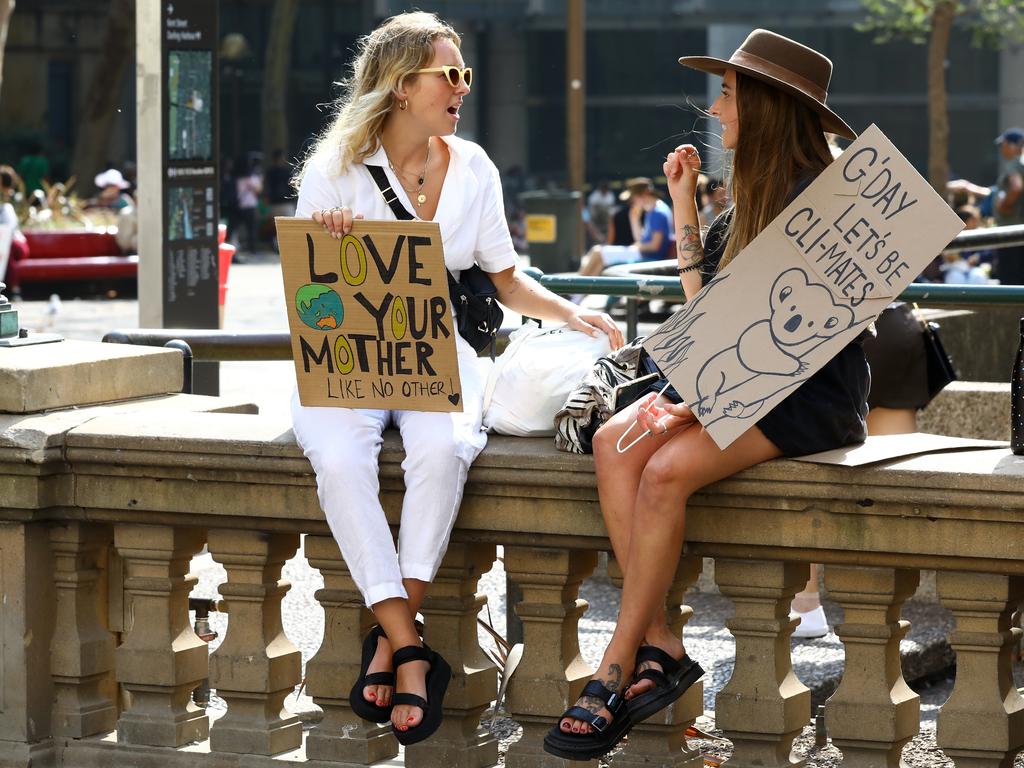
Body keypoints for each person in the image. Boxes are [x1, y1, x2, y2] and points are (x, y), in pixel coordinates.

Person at [289, 11, 623, 747]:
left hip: (439, 352)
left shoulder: (474, 167)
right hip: (350, 355)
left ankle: (393, 645)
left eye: (464, 74)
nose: (463, 88)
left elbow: (505, 278)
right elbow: (314, 296)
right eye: (452, 74)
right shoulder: (331, 170)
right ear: (403, 86)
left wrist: (578, 315)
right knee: (341, 460)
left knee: (442, 452)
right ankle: (410, 647)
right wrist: (332, 252)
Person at [544, 29, 868, 760]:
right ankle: (659, 641)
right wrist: (681, 206)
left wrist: (713, 398)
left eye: (727, 94)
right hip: (736, 383)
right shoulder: (748, 195)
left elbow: (810, 338)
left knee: (662, 471)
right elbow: (704, 317)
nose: (716, 110)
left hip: (806, 395)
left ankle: (618, 666)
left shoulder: (825, 198)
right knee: (609, 439)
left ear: (764, 105)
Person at [577, 177, 672, 276]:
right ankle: (579, 288)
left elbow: (654, 246)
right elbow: (640, 239)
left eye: (634, 198)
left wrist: (636, 247)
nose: (632, 202)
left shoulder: (658, 212)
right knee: (597, 252)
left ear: (643, 195)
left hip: (650, 258)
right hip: (642, 253)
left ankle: (575, 288)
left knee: (598, 252)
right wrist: (634, 219)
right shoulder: (651, 210)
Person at [992, 127, 1024, 284]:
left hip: (1010, 233)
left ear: (1013, 146)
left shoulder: (1015, 165)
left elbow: (1016, 186)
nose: (1001, 149)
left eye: (1003, 145)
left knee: (1010, 280)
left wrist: (1004, 206)